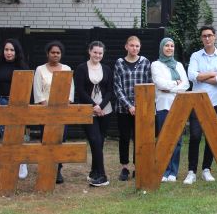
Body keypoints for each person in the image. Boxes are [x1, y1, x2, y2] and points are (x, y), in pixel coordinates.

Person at [184, 25, 217, 184]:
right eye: (204, 36)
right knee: (195, 136)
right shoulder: (196, 56)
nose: (207, 38)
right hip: (197, 102)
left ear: (215, 37)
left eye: (210, 35)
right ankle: (191, 171)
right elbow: (191, 75)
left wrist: (201, 77)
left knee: (212, 137)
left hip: (216, 102)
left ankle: (206, 169)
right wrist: (212, 74)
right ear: (201, 38)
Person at [33, 40, 74, 184]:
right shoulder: (40, 69)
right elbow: (38, 92)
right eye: (53, 52)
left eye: (58, 53)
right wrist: (48, 109)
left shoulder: (67, 69)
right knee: (46, 141)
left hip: (62, 113)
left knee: (60, 141)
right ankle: (45, 168)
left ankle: (58, 170)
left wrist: (62, 108)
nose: (55, 55)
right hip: (45, 112)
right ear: (47, 54)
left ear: (61, 54)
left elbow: (70, 91)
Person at [74, 41, 114, 187]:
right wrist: (94, 106)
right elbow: (80, 90)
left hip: (105, 110)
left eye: (100, 53)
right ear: (89, 51)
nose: (97, 55)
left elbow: (110, 90)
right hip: (87, 110)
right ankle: (103, 176)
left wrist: (101, 106)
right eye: (95, 52)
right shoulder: (81, 68)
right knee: (94, 140)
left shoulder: (107, 69)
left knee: (99, 142)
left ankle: (94, 172)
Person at [151, 38, 189, 182]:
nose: (169, 48)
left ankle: (173, 171)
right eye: (166, 45)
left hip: (178, 104)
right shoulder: (156, 64)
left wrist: (170, 87)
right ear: (162, 48)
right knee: (164, 138)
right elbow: (160, 84)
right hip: (163, 105)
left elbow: (185, 84)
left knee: (177, 140)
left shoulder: (178, 65)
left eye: (172, 46)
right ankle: (163, 170)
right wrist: (175, 83)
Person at [0, 38, 30, 179]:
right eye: (6, 49)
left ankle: (22, 162)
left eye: (12, 50)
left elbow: (27, 86)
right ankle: (10, 161)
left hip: (17, 103)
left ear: (16, 52)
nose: (9, 52)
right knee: (5, 135)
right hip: (1, 101)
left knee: (18, 134)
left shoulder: (22, 66)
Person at [114, 36, 151, 181]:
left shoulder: (145, 62)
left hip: (141, 109)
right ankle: (124, 167)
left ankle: (138, 166)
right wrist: (129, 106)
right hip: (123, 109)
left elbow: (149, 84)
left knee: (139, 138)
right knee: (124, 138)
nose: (134, 48)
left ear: (140, 47)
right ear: (126, 47)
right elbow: (117, 87)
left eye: (137, 46)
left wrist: (139, 106)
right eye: (132, 45)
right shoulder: (119, 63)